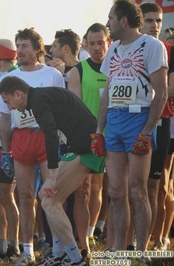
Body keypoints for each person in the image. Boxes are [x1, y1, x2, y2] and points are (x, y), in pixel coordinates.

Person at [0, 75, 104, 266]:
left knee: (48, 200)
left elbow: (50, 137)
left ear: (18, 94)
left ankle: (75, 259)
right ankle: (58, 253)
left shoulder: (39, 100)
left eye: (8, 102)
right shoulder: (41, 96)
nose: (10, 108)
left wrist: (52, 177)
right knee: (51, 200)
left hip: (85, 147)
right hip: (84, 144)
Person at [95, 0, 168, 259]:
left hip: (138, 119)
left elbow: (161, 94)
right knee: (115, 193)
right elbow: (107, 93)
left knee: (138, 190)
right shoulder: (113, 48)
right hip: (114, 120)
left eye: (110, 18)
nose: (107, 24)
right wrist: (98, 130)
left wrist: (147, 132)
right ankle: (117, 252)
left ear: (123, 21)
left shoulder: (152, 45)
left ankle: (141, 252)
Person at [0, 27, 65, 265]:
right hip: (21, 138)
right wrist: (6, 151)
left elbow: (61, 109)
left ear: (37, 49)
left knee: (50, 196)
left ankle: (57, 250)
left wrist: (62, 142)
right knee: (25, 198)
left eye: (25, 45)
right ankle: (27, 252)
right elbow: (5, 118)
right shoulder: (8, 77)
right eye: (18, 45)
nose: (20, 50)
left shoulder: (52, 75)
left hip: (46, 137)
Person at [67, 23, 110, 258]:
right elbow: (75, 110)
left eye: (100, 43)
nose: (96, 48)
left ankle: (95, 234)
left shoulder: (118, 67)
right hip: (88, 138)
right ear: (85, 45)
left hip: (114, 136)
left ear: (108, 42)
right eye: (91, 44)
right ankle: (84, 244)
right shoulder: (79, 71)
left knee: (104, 189)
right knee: (82, 191)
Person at [139, 2, 174, 252]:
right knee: (131, 187)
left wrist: (145, 94)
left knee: (158, 187)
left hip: (162, 122)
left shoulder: (168, 49)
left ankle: (156, 240)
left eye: (158, 21)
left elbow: (170, 89)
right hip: (131, 123)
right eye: (149, 20)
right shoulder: (125, 49)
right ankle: (130, 244)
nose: (155, 26)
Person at [0, 38, 20, 260]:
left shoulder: (16, 77)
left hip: (10, 143)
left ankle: (15, 245)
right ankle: (1, 245)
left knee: (7, 196)